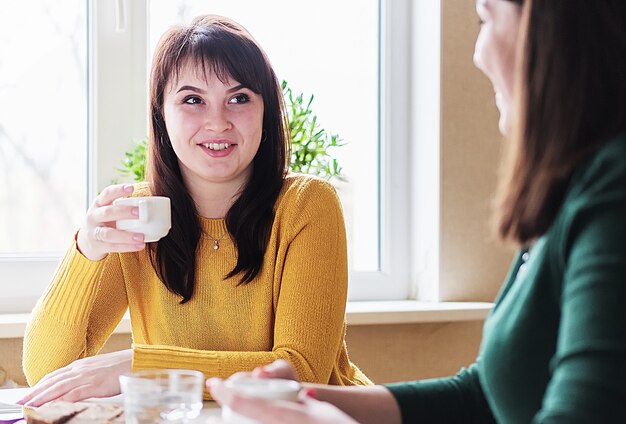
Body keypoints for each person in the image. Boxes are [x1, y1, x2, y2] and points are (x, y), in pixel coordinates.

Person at [208, 0, 626, 422]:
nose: (478, 53)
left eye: (487, 17)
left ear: (550, 27)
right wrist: (305, 400)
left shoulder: (614, 188)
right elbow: (482, 397)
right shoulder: (572, 193)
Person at [19, 14, 371, 407]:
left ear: (265, 110)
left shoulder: (308, 205)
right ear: (161, 113)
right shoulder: (137, 216)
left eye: (239, 98)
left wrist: (141, 367)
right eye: (192, 100)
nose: (217, 122)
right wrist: (86, 249)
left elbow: (298, 372)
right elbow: (46, 372)